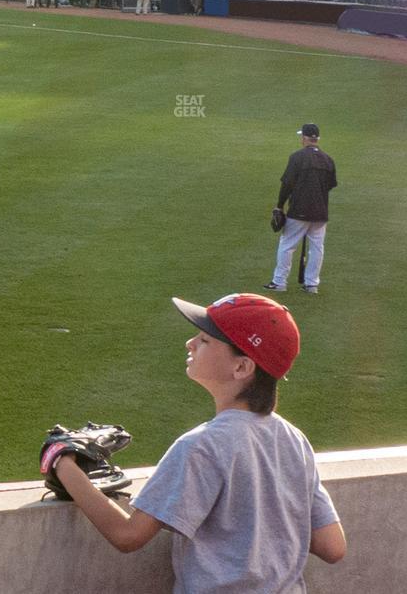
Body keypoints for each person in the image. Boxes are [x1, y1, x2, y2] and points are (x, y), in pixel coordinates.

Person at [52, 294, 345, 589]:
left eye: (205, 340)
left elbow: (128, 536)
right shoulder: (294, 440)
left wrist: (63, 462)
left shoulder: (202, 446)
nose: (190, 343)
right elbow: (332, 546)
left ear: (242, 368)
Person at [269, 124, 337, 294]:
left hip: (299, 210)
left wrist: (280, 205)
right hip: (321, 212)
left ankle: (279, 283)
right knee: (317, 248)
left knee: (287, 245)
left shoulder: (297, 157)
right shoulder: (328, 159)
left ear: (305, 138)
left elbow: (287, 184)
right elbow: (330, 185)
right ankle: (312, 284)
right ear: (317, 139)